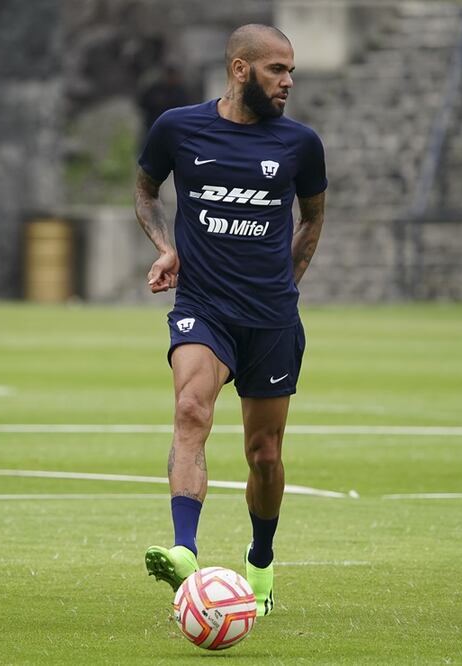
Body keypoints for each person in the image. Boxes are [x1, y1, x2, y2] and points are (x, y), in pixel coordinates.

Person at [135, 24, 327, 617]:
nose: (288, 82)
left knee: (264, 453)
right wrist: (164, 245)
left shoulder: (300, 144)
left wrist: (283, 288)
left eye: (291, 70)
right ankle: (185, 553)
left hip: (270, 318)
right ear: (240, 69)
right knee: (192, 409)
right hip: (203, 306)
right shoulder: (179, 127)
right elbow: (146, 188)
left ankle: (261, 562)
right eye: (277, 70)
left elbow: (313, 219)